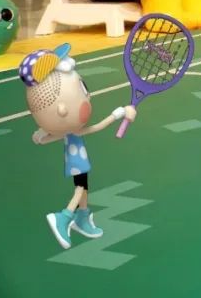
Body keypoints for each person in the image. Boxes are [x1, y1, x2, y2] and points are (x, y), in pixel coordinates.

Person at [21, 45, 138, 249]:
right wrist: (120, 113)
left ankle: (83, 219)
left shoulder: (68, 133)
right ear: (62, 110)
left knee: (84, 189)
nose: (87, 96)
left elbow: (54, 136)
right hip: (77, 162)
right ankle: (64, 217)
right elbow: (98, 127)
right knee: (80, 189)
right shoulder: (74, 132)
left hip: (76, 161)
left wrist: (42, 138)